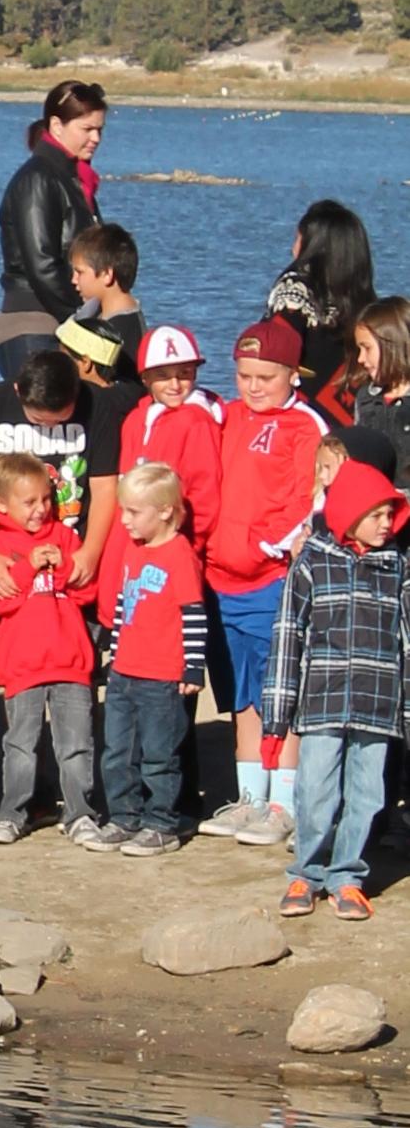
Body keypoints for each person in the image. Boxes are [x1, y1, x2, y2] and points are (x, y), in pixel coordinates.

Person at [198, 317, 328, 847]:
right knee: (242, 697)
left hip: (272, 580)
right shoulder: (227, 416)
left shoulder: (305, 425)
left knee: (281, 694)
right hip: (218, 580)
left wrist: (268, 545)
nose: (253, 387)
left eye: (265, 377)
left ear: (292, 374)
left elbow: (311, 497)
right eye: (244, 375)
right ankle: (249, 798)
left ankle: (284, 803)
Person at [264, 460, 408, 920]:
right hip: (322, 701)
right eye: (377, 514)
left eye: (391, 514)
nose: (387, 523)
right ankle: (305, 874)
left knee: (367, 796)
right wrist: (276, 718)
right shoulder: (311, 564)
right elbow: (287, 637)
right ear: (350, 514)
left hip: (379, 703)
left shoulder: (398, 566)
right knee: (314, 792)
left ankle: (347, 877)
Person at [0, 452, 100, 846]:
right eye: (29, 502)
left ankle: (80, 813)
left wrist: (63, 567)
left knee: (76, 745)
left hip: (70, 662)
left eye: (46, 499)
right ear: (1, 504)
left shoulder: (64, 537)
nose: (41, 509)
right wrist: (28, 566)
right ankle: (13, 813)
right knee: (21, 745)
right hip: (23, 666)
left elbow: (88, 591)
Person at [82, 462, 206, 857]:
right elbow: (124, 606)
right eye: (124, 510)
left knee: (159, 755)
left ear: (165, 510)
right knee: (117, 752)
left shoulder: (180, 555)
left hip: (162, 678)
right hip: (124, 673)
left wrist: (193, 667)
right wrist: (116, 653)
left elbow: (194, 614)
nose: (125, 520)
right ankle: (124, 817)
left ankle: (161, 823)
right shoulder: (134, 552)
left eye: (134, 512)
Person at [0, 346, 126, 596]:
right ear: (18, 390)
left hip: (72, 548)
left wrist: (90, 553)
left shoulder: (97, 405)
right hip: (8, 555)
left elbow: (105, 488)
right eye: (38, 420)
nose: (49, 427)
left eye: (60, 420)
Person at [0, 79, 106, 378]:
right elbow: (41, 263)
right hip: (34, 321)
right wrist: (80, 319)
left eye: (100, 130)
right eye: (87, 129)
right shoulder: (38, 179)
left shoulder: (74, 180)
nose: (95, 138)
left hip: (65, 319)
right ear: (56, 126)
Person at [269, 200, 376, 418]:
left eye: (297, 239)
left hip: (304, 414)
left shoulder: (295, 287)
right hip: (355, 413)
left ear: (311, 245)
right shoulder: (364, 300)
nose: (292, 249)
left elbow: (273, 351)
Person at [121, 326, 224, 547]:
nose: (175, 385)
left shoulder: (197, 421)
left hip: (173, 543)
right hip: (131, 541)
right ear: (145, 378)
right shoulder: (135, 419)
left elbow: (204, 496)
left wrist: (189, 546)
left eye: (184, 374)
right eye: (163, 376)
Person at [66, 224, 144, 381]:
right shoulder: (96, 313)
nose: (73, 280)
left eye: (80, 272)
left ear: (107, 274)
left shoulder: (121, 332)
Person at [349, 298, 410, 481]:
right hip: (374, 494)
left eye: (367, 348)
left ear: (393, 345)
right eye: (359, 349)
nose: (360, 359)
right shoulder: (366, 398)